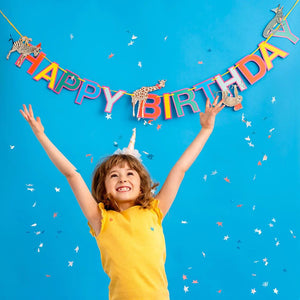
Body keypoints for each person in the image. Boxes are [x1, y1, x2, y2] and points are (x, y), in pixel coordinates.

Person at [20, 97, 224, 300]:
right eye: (114, 175)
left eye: (130, 174)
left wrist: (205, 130)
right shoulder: (100, 219)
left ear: (142, 185)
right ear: (104, 188)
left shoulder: (154, 210)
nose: (122, 179)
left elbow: (180, 169)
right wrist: (41, 136)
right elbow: (72, 175)